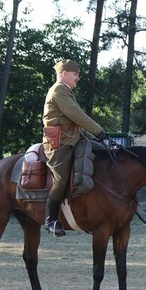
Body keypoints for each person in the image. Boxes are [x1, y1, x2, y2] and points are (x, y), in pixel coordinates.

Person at [42, 59, 111, 237]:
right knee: (61, 179)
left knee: (106, 155)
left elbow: (75, 123)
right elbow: (76, 114)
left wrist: (101, 139)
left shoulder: (66, 91)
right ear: (64, 73)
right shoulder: (58, 90)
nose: (78, 78)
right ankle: (50, 220)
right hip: (60, 144)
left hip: (74, 138)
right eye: (75, 74)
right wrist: (99, 131)